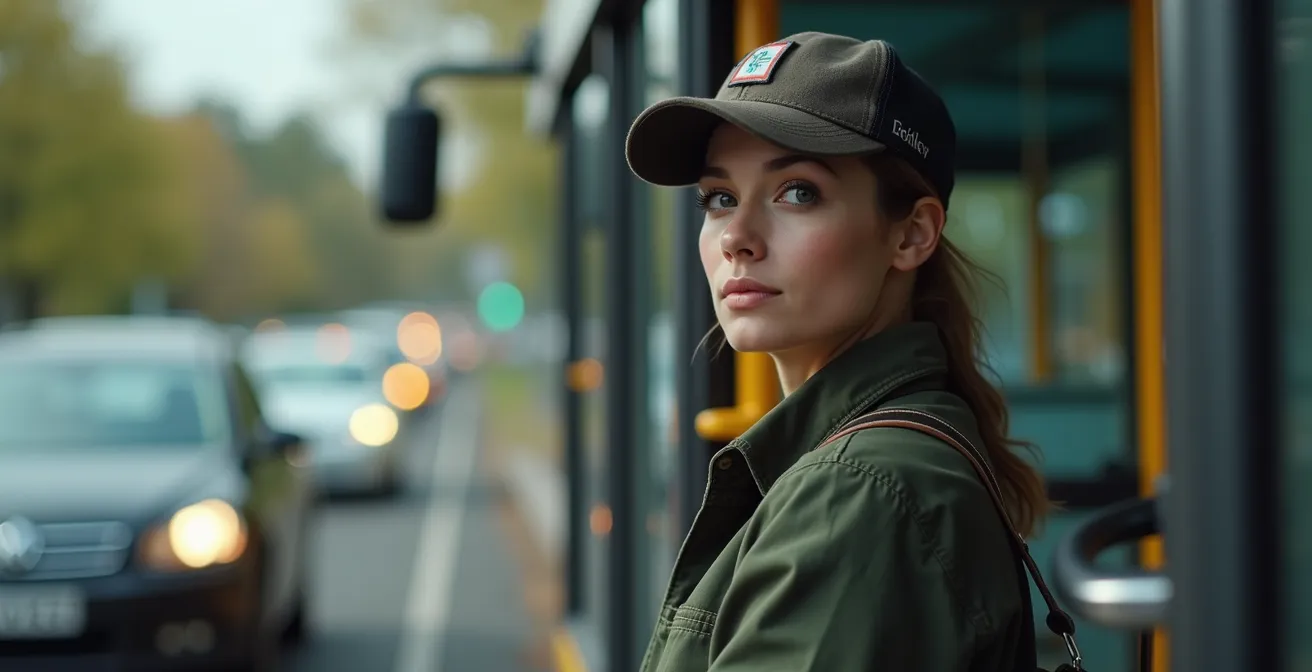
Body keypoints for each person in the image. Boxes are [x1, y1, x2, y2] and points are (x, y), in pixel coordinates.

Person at [625, 32, 1066, 671]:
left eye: (797, 192)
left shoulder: (861, 496)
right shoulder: (869, 465)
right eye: (719, 198)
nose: (737, 238)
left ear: (912, 234)